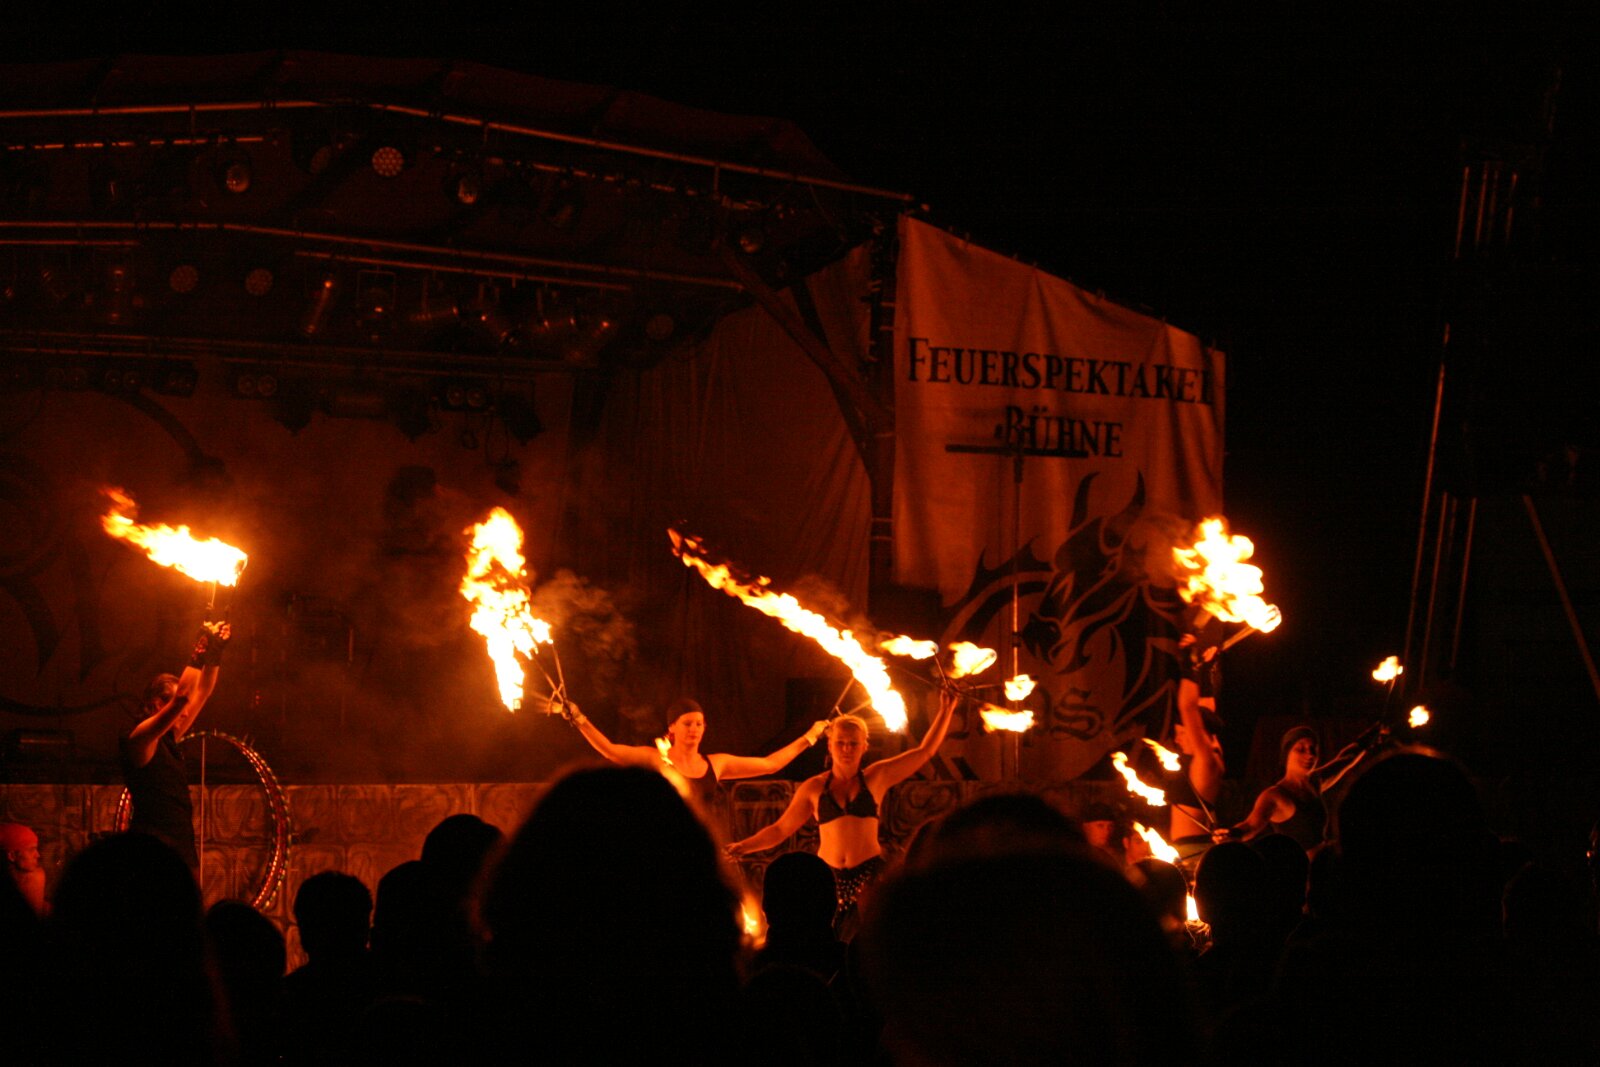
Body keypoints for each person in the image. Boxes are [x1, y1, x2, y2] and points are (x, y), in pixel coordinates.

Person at [726, 690, 958, 935]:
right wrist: (743, 846)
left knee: (869, 939)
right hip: (827, 880)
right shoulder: (814, 788)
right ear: (830, 745)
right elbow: (780, 829)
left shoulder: (877, 777)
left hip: (869, 878)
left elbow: (925, 751)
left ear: (864, 746)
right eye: (840, 742)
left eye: (853, 743)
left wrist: (946, 710)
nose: (847, 748)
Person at [563, 696, 827, 832]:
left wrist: (810, 737)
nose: (694, 729)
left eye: (699, 724)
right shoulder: (656, 757)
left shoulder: (716, 764)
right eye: (687, 723)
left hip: (701, 850)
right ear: (672, 728)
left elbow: (770, 764)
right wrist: (579, 719)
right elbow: (610, 750)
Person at [119, 619, 230, 871]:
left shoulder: (169, 737)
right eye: (178, 707)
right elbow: (183, 698)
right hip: (152, 853)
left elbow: (203, 691)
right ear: (158, 704)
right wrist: (199, 651)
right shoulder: (138, 739)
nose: (186, 713)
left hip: (181, 848)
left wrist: (215, 652)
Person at [1218, 723, 1373, 853]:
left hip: (1325, 870)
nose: (1309, 755)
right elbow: (1251, 825)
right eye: (1301, 749)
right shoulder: (1274, 795)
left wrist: (1374, 733)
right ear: (1287, 753)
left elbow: (1346, 758)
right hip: (1301, 874)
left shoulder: (1315, 782)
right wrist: (1232, 834)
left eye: (1313, 749)